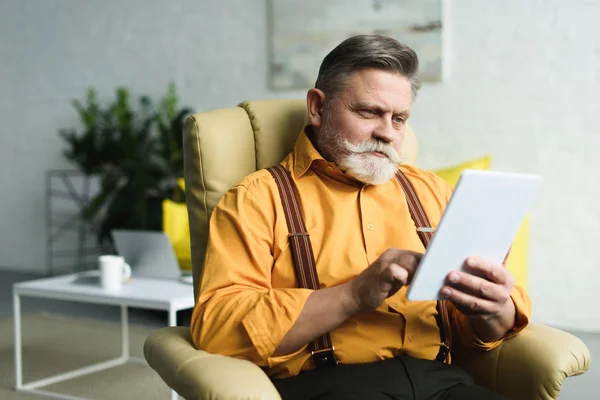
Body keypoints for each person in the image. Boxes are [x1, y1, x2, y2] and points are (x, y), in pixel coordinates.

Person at [190, 34, 531, 400]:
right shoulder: (257, 199)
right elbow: (217, 327)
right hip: (330, 387)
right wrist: (352, 295)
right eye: (369, 112)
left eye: (399, 119)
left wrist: (492, 308)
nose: (386, 132)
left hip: (442, 383)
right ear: (317, 107)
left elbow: (486, 331)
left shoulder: (433, 192)